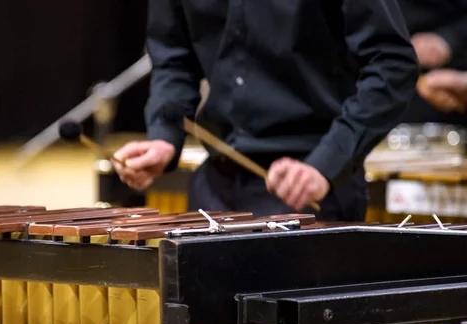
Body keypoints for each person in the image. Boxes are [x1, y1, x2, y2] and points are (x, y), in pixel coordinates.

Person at [112, 0, 419, 221]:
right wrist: (165, 132)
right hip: (214, 187)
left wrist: (327, 163)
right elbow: (174, 58)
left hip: (309, 189)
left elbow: (392, 64)